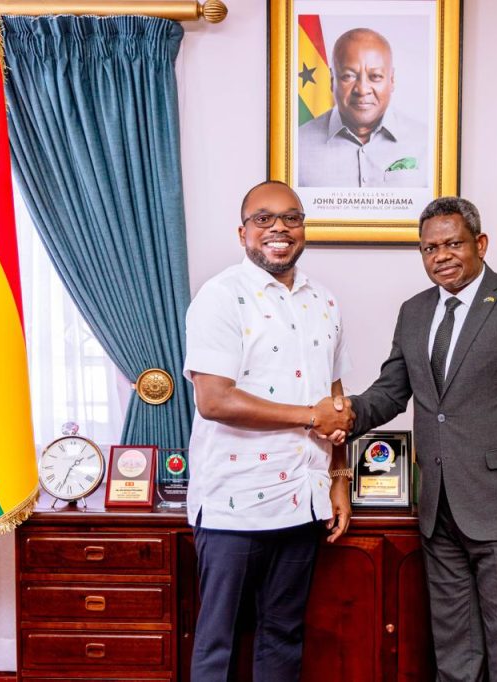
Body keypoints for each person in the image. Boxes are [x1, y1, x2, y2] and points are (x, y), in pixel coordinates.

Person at [345, 196, 497, 680]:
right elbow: (391, 392)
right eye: (430, 248)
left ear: (480, 244)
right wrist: (344, 414)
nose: (441, 256)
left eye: (453, 244)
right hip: (438, 511)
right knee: (454, 653)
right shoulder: (414, 312)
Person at [183, 180, 356, 681]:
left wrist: (339, 479)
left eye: (291, 218)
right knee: (217, 642)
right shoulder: (220, 297)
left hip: (303, 500)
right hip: (233, 504)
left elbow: (334, 403)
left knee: (283, 636)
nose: (279, 228)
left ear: (304, 229)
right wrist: (310, 416)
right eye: (263, 218)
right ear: (242, 233)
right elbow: (214, 400)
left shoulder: (324, 301)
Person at [298, 27, 428, 188]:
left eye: (375, 76)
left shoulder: (426, 142)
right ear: (332, 80)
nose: (362, 89)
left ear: (392, 79)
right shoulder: (297, 146)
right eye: (348, 76)